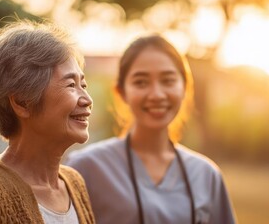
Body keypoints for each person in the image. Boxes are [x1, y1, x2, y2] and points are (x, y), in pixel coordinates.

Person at [65, 35, 236, 224]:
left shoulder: (206, 175)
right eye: (141, 82)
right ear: (121, 92)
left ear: (185, 87)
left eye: (168, 80)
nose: (156, 94)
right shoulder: (86, 167)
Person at [0, 19, 95, 224]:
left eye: (84, 84)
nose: (88, 100)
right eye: (71, 85)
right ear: (22, 102)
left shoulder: (74, 183)